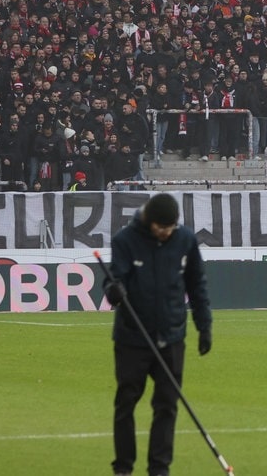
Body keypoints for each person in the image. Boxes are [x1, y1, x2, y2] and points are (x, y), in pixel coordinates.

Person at [104, 193, 212, 476]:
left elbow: (197, 285)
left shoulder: (185, 240)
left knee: (167, 406)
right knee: (126, 403)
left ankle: (159, 468)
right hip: (132, 338)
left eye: (170, 227)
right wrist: (114, 291)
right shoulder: (125, 240)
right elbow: (115, 279)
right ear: (150, 221)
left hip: (172, 336)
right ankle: (123, 468)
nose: (165, 232)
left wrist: (205, 326)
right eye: (161, 227)